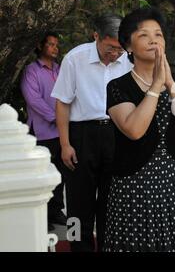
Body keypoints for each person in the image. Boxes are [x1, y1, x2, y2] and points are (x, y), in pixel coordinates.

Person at [104, 7, 175, 252]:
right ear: (128, 46)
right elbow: (134, 129)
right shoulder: (118, 86)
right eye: (144, 35)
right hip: (135, 184)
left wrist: (170, 84)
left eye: (158, 34)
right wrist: (157, 85)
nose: (153, 40)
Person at [51, 14, 132, 252]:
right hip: (82, 136)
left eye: (120, 48)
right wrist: (65, 144)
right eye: (110, 47)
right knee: (78, 204)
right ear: (96, 36)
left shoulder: (129, 59)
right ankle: (79, 248)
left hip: (118, 134)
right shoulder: (75, 58)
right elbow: (63, 103)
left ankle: (109, 247)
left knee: (112, 202)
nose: (115, 53)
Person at [21, 31, 66, 231]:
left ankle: (56, 212)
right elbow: (33, 99)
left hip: (61, 133)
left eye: (57, 45)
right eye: (51, 44)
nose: (55, 48)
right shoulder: (31, 70)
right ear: (40, 46)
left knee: (60, 175)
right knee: (42, 176)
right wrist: (55, 117)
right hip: (41, 132)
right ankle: (43, 217)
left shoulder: (59, 69)